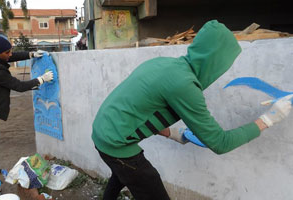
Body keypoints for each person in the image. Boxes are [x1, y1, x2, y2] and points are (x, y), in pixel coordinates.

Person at [91, 20, 293, 200]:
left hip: (102, 130)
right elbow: (220, 143)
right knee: (146, 181)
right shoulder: (185, 86)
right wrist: (268, 119)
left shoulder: (164, 64)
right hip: (115, 143)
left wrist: (173, 134)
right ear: (215, 61)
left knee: (122, 173)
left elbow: (141, 110)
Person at [0, 35, 54, 186]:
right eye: (7, 52)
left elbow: (11, 56)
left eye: (10, 51)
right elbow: (19, 86)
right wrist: (41, 79)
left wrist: (30, 54)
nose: (10, 54)